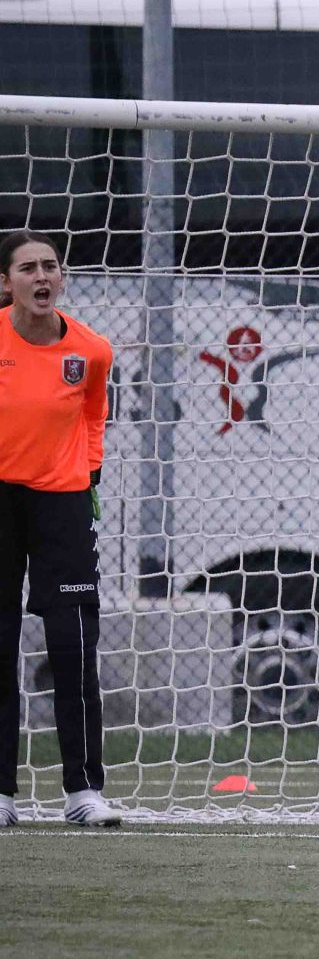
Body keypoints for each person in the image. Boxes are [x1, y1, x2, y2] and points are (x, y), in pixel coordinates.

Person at [0, 229, 117, 829]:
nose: (42, 276)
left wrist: (88, 471)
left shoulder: (91, 350)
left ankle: (83, 791)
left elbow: (95, 415)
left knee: (72, 646)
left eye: (50, 266)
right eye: (28, 268)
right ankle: (1, 794)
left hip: (64, 504)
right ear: (6, 282)